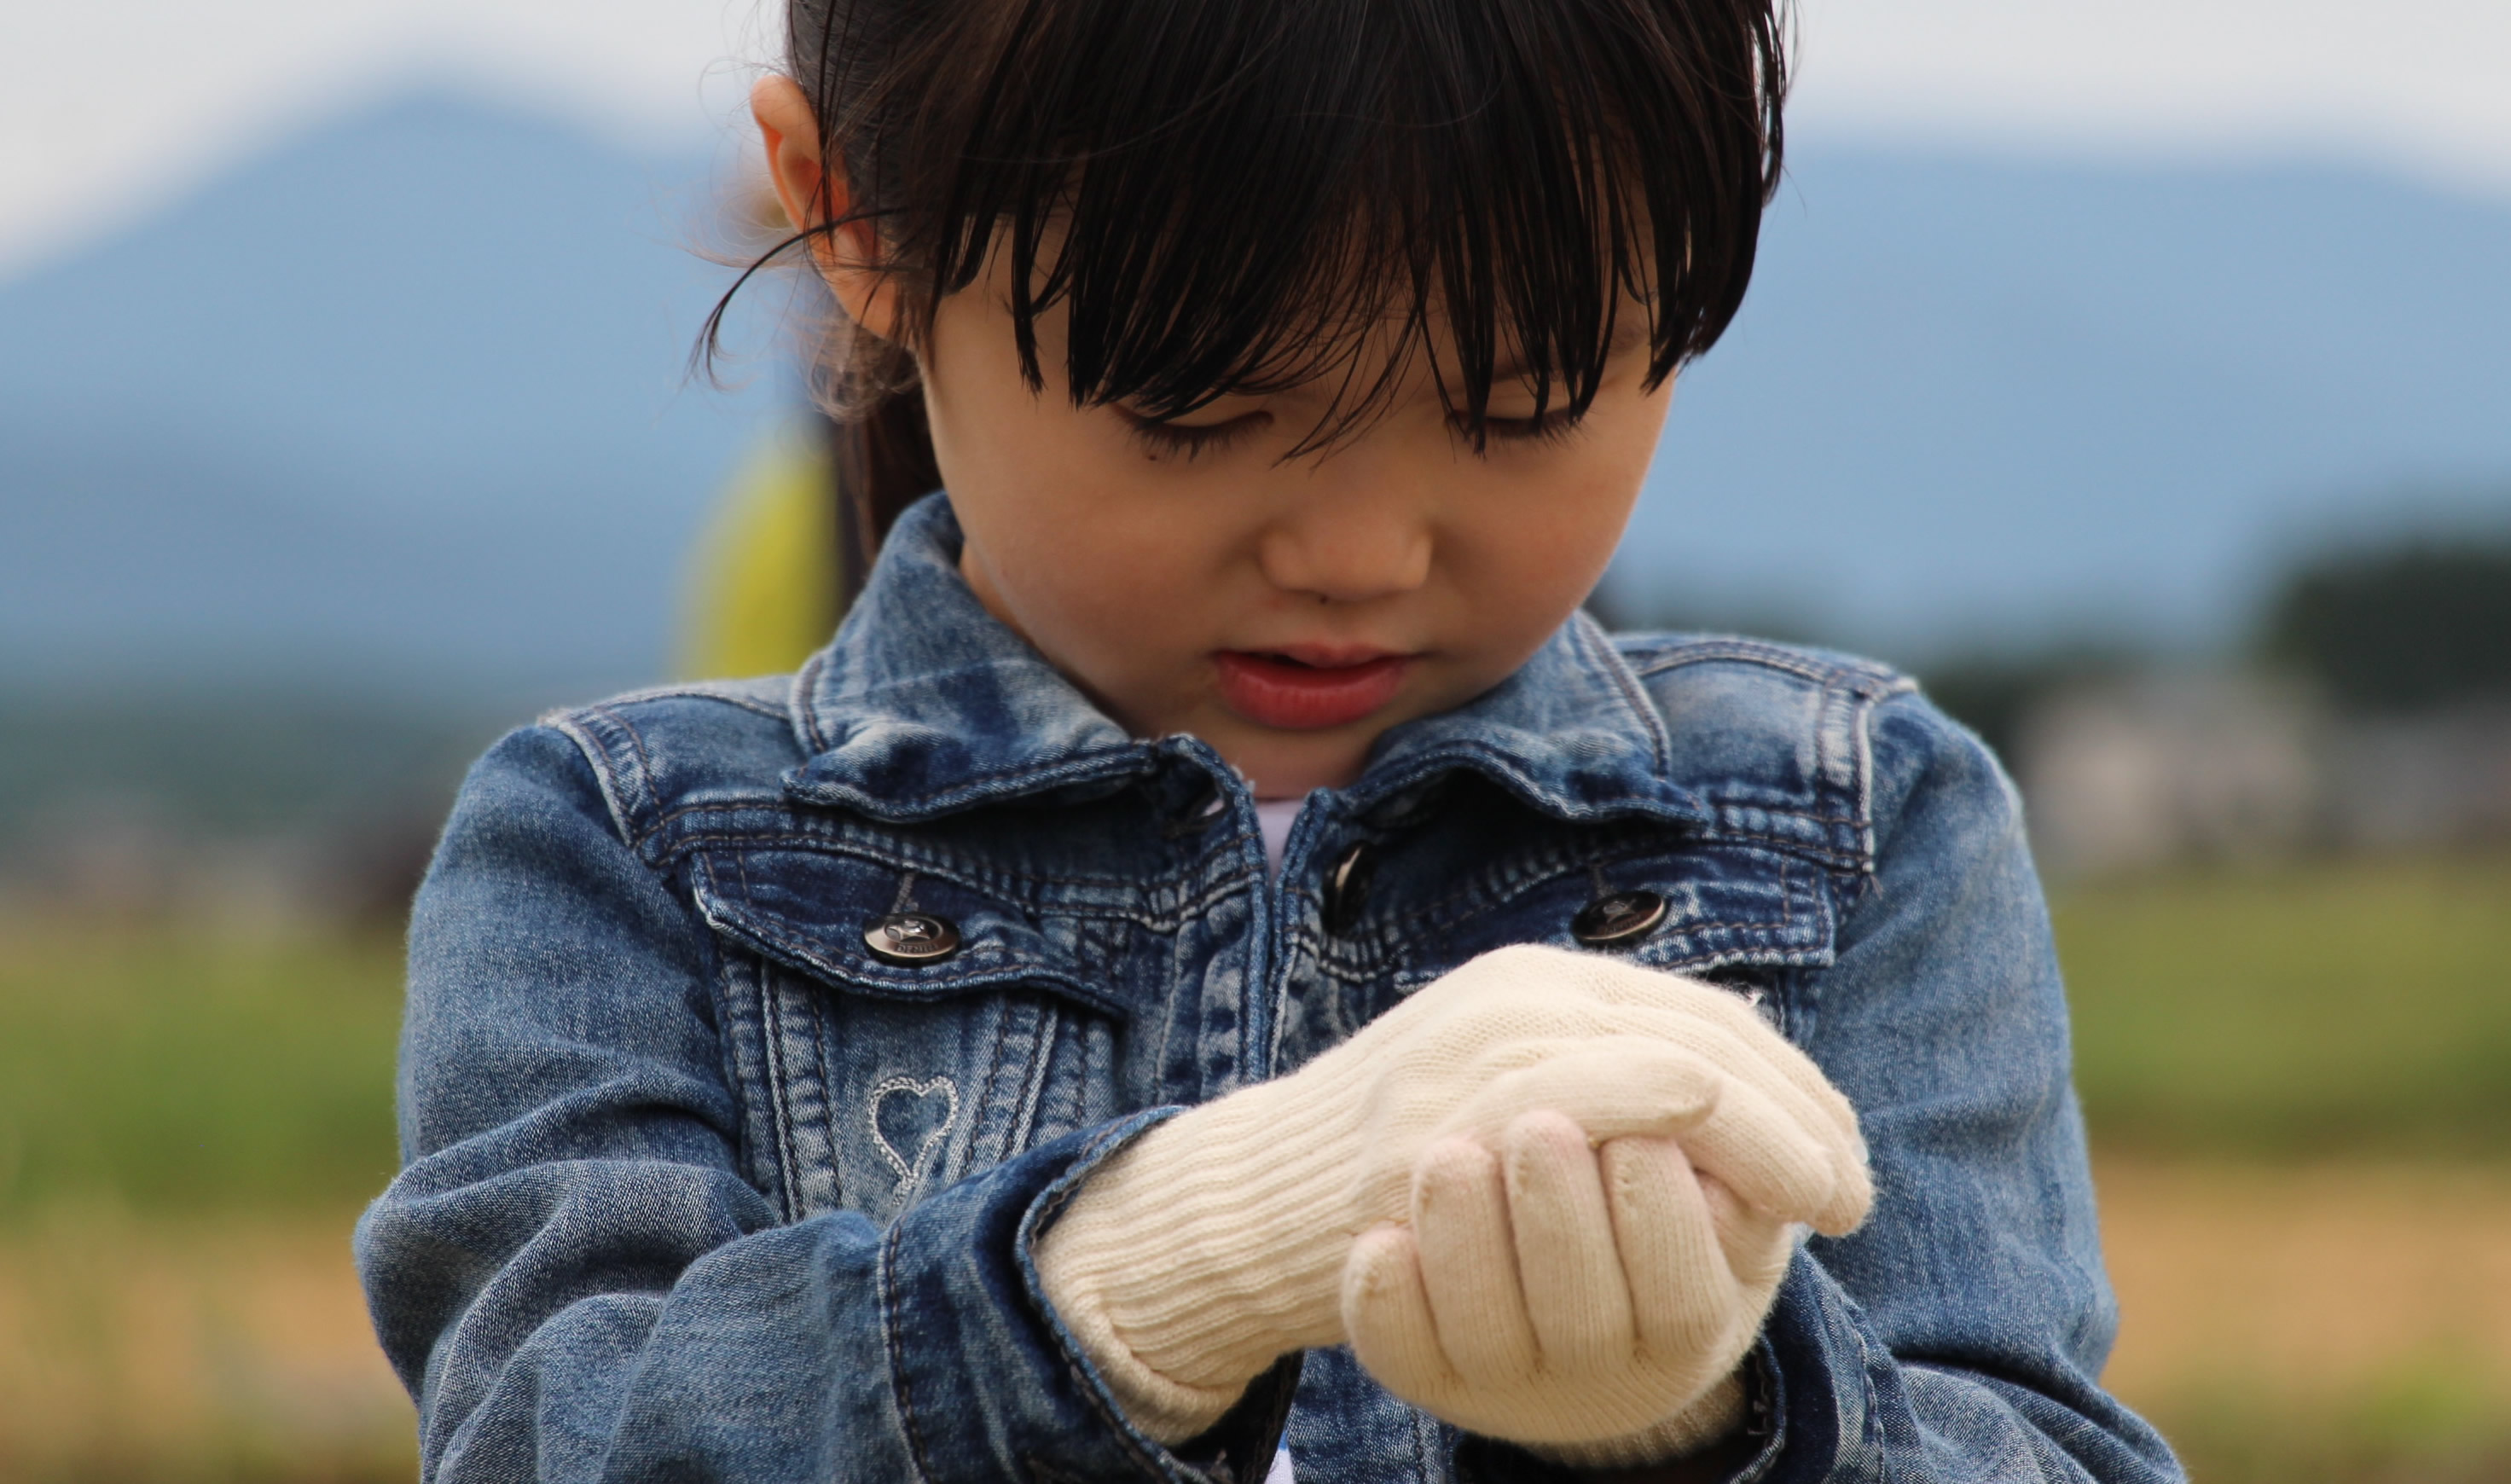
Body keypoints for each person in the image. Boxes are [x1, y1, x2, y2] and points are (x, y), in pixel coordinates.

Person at [355, 0, 2183, 1481]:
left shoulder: (1847, 825)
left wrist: (1699, 1421)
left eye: (1516, 405)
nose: (1352, 553)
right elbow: (549, 1439)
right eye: (1199, 408)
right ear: (854, 226)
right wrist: (1149, 1275)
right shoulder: (625, 850)